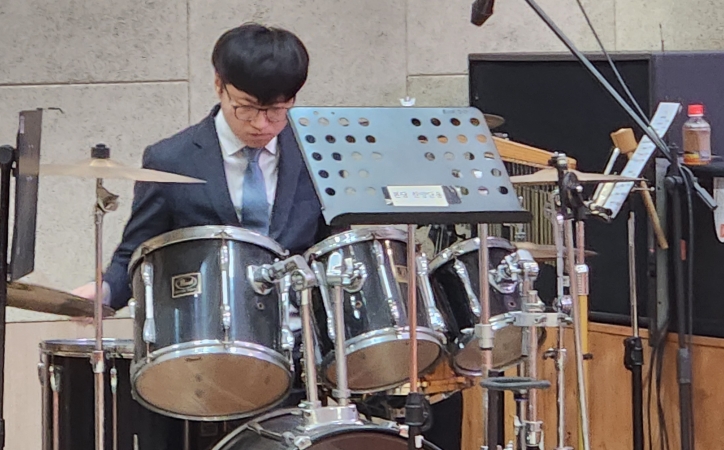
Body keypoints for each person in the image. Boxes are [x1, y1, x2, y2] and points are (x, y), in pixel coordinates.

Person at [72, 22, 463, 450]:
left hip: (301, 348)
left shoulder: (317, 153)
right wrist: (104, 291)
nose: (261, 124)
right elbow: (136, 251)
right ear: (219, 85)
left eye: (277, 111)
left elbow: (333, 247)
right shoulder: (171, 159)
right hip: (213, 353)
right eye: (246, 108)